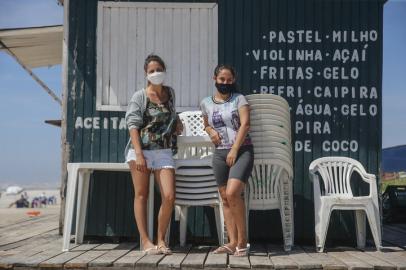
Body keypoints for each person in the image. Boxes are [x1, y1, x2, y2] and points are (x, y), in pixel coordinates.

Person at [125, 54, 182, 255]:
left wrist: (177, 124)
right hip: (142, 151)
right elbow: (132, 125)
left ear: (164, 71)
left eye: (159, 69)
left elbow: (170, 115)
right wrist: (139, 154)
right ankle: (146, 241)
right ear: (146, 74)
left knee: (169, 195)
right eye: (151, 71)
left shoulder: (170, 93)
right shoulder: (139, 96)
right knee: (141, 195)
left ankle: (161, 239)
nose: (156, 73)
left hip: (164, 151)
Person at [200, 64, 253, 256]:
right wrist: (210, 130)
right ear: (214, 79)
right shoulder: (206, 102)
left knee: (232, 193)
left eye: (229, 80)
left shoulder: (239, 99)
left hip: (241, 151)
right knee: (224, 197)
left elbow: (245, 124)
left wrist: (235, 149)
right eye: (222, 79)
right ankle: (231, 242)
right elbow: (205, 123)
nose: (225, 83)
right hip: (219, 153)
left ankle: (243, 241)